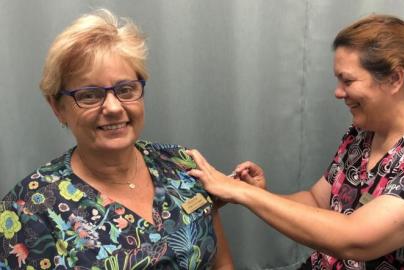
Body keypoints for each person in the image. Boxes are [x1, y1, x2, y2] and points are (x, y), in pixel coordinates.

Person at [186, 14, 404, 269]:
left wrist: (242, 194)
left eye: (347, 80)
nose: (338, 92)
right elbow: (317, 201)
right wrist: (260, 194)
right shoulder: (364, 134)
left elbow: (355, 240)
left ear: (394, 78)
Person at [0, 9, 233, 269]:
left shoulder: (181, 163)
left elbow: (221, 263)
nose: (112, 107)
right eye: (89, 95)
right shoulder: (28, 208)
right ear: (57, 107)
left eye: (125, 89)